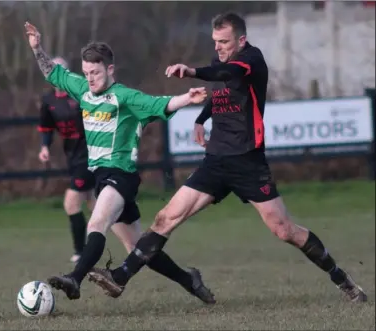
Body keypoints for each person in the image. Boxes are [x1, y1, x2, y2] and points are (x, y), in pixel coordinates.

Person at [88, 12, 367, 303]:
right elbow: (221, 92)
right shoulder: (221, 61)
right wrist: (201, 118)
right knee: (166, 217)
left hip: (247, 161)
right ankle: (119, 277)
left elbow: (227, 75)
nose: (218, 47)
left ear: (241, 40)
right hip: (216, 161)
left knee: (283, 230)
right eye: (215, 42)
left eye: (224, 42)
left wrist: (192, 72)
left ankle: (341, 279)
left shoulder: (251, 60)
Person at [24, 22, 215, 304]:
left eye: (96, 72)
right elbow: (53, 73)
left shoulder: (124, 97)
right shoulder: (83, 90)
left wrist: (187, 98)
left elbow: (158, 104)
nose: (90, 78)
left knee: (97, 222)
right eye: (86, 72)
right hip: (102, 176)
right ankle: (190, 281)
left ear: (110, 70)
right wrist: (37, 48)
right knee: (139, 249)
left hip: (120, 175)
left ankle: (74, 279)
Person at [38, 57, 95, 263]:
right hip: (71, 157)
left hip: (88, 156)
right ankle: (132, 241)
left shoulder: (80, 95)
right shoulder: (49, 101)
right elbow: (46, 127)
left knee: (71, 203)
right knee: (95, 204)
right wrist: (44, 146)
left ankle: (81, 252)